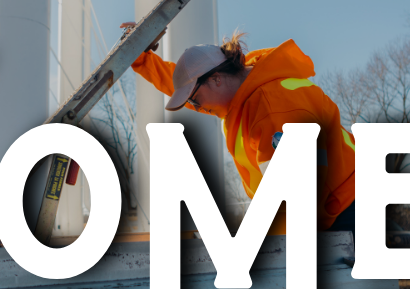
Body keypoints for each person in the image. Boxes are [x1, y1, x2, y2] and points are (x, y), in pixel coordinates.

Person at [126, 29, 359, 231]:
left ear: (216, 79)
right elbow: (187, 85)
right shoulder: (240, 92)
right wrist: (140, 59)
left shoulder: (270, 110)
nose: (197, 107)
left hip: (344, 211)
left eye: (196, 100)